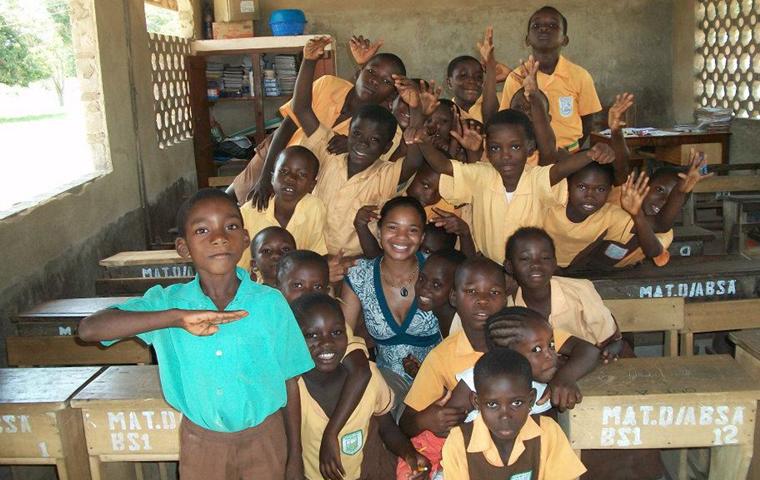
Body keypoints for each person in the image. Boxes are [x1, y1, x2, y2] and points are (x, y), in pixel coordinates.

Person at [78, 189, 314, 479]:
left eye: (230, 227)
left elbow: (290, 381)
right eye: (202, 230)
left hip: (266, 439)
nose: (219, 237)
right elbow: (90, 329)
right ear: (184, 248)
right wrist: (175, 318)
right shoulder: (166, 303)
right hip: (202, 444)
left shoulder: (270, 303)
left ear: (244, 238)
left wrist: (295, 457)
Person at [410, 106, 617, 264]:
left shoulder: (535, 179)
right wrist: (424, 143)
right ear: (488, 152)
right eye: (495, 148)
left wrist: (591, 154)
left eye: (515, 147)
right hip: (487, 262)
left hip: (525, 268)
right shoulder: (481, 175)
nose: (505, 155)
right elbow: (444, 165)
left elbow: (560, 170)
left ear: (529, 149)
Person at [292, 37, 424, 256]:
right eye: (358, 135)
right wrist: (308, 61)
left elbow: (414, 158)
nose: (363, 143)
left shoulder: (384, 175)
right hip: (313, 255)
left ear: (386, 147)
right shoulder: (330, 152)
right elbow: (302, 109)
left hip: (357, 261)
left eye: (374, 141)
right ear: (348, 133)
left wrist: (416, 107)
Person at [230, 40, 406, 204]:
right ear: (359, 71)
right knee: (230, 200)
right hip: (276, 154)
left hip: (307, 186)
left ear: (392, 94)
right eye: (371, 71)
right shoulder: (328, 84)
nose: (374, 81)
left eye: (385, 81)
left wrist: (354, 144)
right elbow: (287, 127)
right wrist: (266, 176)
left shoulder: (386, 129)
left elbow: (373, 168)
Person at [291, 293, 430, 480]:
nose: (327, 343)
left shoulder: (370, 379)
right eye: (312, 335)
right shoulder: (292, 388)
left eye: (337, 332)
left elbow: (387, 427)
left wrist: (410, 455)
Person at [398, 257, 508, 477]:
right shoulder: (442, 356)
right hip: (468, 453)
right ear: (454, 298)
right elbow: (407, 422)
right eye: (471, 292)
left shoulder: (521, 337)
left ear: (506, 299)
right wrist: (426, 419)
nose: (483, 301)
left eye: (494, 293)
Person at [341, 196, 442, 400]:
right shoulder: (359, 276)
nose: (401, 237)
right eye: (393, 228)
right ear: (379, 232)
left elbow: (458, 333)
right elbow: (345, 338)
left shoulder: (438, 271)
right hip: (387, 385)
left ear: (422, 237)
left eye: (412, 230)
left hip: (440, 382)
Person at [440, 348, 586, 479]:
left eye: (516, 403)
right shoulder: (459, 442)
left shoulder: (547, 433)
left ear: (531, 400)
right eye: (492, 404)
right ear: (477, 402)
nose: (505, 416)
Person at [504, 227, 622, 359]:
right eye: (525, 259)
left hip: (591, 365)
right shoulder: (510, 308)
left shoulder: (580, 290)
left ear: (555, 263)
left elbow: (611, 340)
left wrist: (610, 349)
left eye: (545, 258)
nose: (536, 264)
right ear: (509, 266)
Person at [499, 6, 602, 151]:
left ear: (565, 39)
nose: (544, 29)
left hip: (568, 154)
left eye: (553, 25)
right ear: (527, 39)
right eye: (536, 25)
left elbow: (587, 119)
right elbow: (508, 119)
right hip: (529, 159)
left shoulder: (580, 76)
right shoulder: (516, 78)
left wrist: (569, 150)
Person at [587, 149, 711, 269]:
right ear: (643, 185)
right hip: (581, 262)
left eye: (672, 199)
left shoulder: (665, 234)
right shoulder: (620, 195)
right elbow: (620, 166)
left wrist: (680, 192)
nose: (663, 200)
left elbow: (656, 241)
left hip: (620, 270)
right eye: (659, 190)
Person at [541, 163, 661, 269]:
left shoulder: (609, 215)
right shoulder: (553, 201)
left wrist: (637, 214)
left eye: (600, 189)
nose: (590, 196)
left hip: (568, 271)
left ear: (609, 191)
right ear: (568, 185)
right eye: (582, 187)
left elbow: (654, 251)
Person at [485, 306, 599, 413]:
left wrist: (563, 377)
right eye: (537, 349)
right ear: (506, 358)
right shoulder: (487, 391)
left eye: (551, 345)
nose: (550, 355)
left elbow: (591, 351)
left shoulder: (544, 382)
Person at [238, 146, 326, 270]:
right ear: (272, 178)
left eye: (302, 174)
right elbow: (240, 267)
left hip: (296, 281)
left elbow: (316, 254)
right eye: (284, 171)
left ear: (312, 185)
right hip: (257, 284)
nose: (291, 178)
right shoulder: (250, 212)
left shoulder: (314, 207)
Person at [415, 249, 467, 338]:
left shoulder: (465, 328)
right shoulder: (437, 317)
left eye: (436, 285)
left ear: (455, 292)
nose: (424, 288)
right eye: (421, 278)